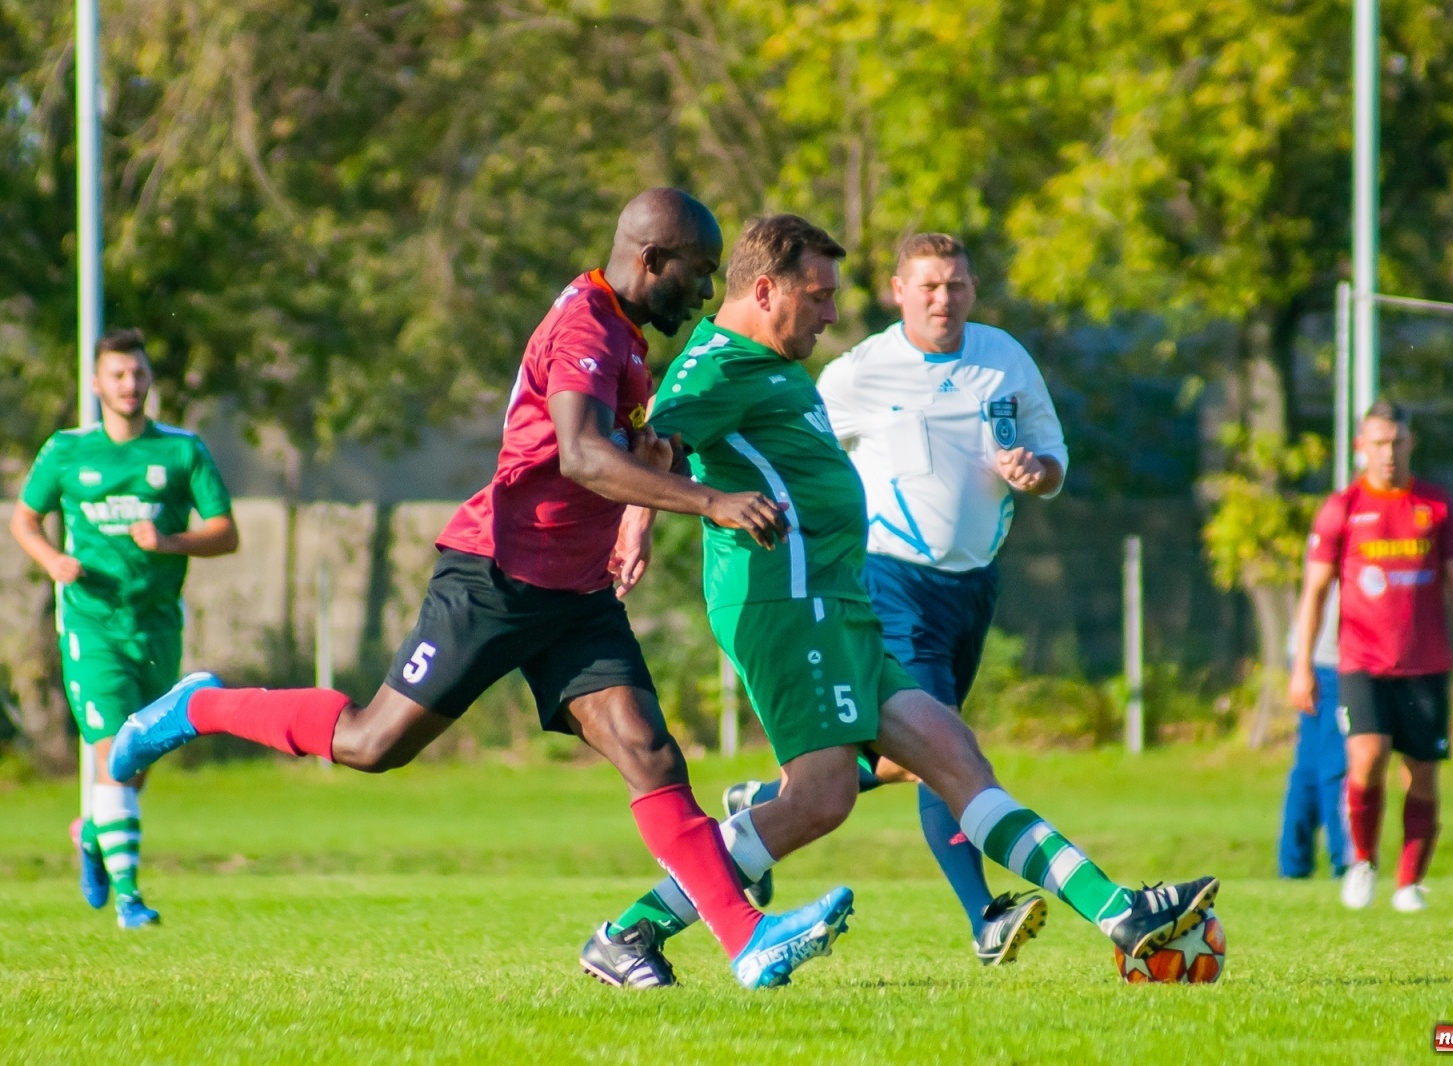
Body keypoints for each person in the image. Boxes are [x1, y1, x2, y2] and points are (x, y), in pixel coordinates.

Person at [109, 189, 851, 990]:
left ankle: (747, 942)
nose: (705, 292)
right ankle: (198, 707)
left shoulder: (625, 332)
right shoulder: (586, 325)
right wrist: (710, 500)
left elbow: (608, 447)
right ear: (651, 260)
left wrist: (653, 452)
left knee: (649, 751)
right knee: (372, 744)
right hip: (497, 576)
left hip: (575, 595)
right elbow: (580, 456)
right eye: (697, 273)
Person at [585, 213, 1218, 985]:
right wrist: (638, 522)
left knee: (955, 756)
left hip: (841, 604)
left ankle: (1123, 913)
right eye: (818, 296)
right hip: (788, 605)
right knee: (820, 799)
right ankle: (630, 932)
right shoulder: (713, 368)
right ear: (766, 290)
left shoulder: (775, 359)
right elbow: (652, 449)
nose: (831, 313)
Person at [720, 232, 1068, 965]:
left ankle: (764, 804)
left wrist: (1038, 471)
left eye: (957, 285)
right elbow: (790, 442)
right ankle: (985, 918)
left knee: (920, 749)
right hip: (890, 581)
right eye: (930, 286)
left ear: (974, 289)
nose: (945, 299)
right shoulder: (860, 371)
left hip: (974, 583)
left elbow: (1053, 454)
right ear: (898, 291)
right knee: (944, 749)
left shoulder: (1004, 358)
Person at [10, 329, 240, 929]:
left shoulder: (181, 451)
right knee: (110, 752)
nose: (129, 384)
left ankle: (93, 833)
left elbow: (226, 533)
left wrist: (170, 542)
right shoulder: (66, 451)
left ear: (149, 379)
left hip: (156, 625)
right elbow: (25, 519)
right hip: (91, 624)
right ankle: (131, 900)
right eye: (117, 374)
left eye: (137, 373)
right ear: (96, 383)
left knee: (132, 764)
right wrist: (51, 560)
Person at [1288, 399, 1453, 912]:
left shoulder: (1435, 505)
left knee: (1422, 772)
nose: (1388, 453)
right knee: (1367, 758)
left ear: (1411, 443)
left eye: (1396, 442)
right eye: (1378, 443)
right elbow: (1314, 592)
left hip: (1426, 664)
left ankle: (1409, 882)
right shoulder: (1343, 507)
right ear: (1360, 447)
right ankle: (1363, 862)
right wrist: (1302, 664)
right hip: (1362, 662)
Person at [1277, 595, 1349, 879]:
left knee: (1310, 766)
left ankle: (1294, 867)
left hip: (1315, 654)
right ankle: (1346, 862)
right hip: (1335, 658)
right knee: (1336, 767)